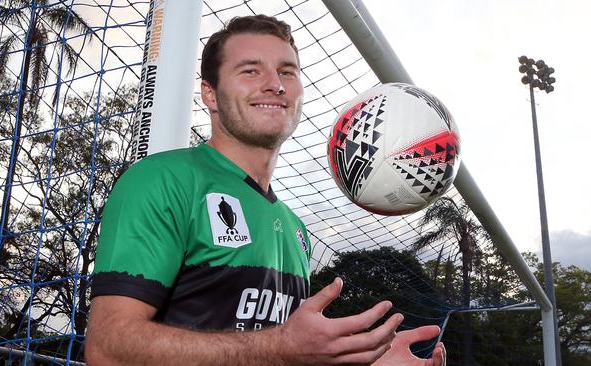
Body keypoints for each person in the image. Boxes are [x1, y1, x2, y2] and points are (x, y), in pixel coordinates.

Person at [85, 15, 446, 366]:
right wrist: (280, 347)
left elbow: (278, 354)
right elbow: (109, 349)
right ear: (210, 94)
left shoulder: (295, 230)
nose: (275, 84)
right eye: (250, 70)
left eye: (287, 71)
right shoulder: (163, 181)